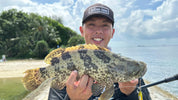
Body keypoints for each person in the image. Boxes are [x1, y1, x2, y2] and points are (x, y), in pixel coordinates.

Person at [48, 3, 151, 100]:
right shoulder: (61, 71)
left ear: (112, 32)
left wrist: (131, 93)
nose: (98, 31)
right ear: (82, 31)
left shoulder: (129, 72)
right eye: (91, 25)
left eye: (105, 25)